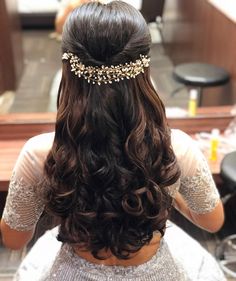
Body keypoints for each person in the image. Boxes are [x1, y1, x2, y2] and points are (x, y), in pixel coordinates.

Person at [0, 1, 225, 280]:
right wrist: (170, 190)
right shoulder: (174, 149)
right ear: (144, 70)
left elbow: (14, 240)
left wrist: (53, 192)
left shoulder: (40, 153)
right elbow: (213, 222)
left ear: (68, 68)